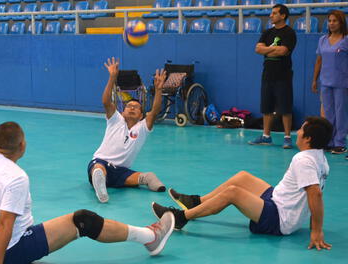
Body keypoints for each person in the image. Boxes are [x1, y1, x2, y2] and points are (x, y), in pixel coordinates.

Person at [0, 122, 175, 264]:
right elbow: (4, 226)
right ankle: (151, 237)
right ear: (22, 145)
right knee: (83, 220)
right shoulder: (16, 177)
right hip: (11, 250)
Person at [152, 117, 333, 250]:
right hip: (279, 201)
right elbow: (314, 194)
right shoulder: (320, 159)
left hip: (279, 218)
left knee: (233, 192)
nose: (298, 132)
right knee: (243, 177)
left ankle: (181, 217)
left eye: (301, 129)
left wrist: (316, 230)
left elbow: (315, 193)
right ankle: (197, 201)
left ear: (308, 138)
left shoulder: (303, 160)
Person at [87, 57, 167, 203]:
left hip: (122, 171)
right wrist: (112, 78)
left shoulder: (142, 127)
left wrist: (159, 89)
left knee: (146, 177)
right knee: (98, 170)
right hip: (102, 162)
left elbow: (155, 111)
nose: (131, 108)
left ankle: (145, 180)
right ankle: (101, 188)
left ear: (141, 115)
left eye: (136, 107)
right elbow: (106, 101)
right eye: (129, 106)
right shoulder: (115, 119)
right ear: (122, 112)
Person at [249, 4, 297, 149]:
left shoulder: (289, 33)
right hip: (267, 74)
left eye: (274, 13)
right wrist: (272, 49)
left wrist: (267, 50)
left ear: (283, 16)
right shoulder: (267, 32)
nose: (271, 15)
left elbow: (283, 51)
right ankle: (266, 136)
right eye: (271, 13)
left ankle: (287, 137)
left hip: (283, 75)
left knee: (285, 107)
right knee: (266, 107)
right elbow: (257, 49)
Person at [311, 10, 348, 155]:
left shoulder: (346, 40)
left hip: (342, 82)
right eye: (330, 20)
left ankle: (340, 142)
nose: (331, 23)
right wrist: (314, 79)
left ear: (341, 23)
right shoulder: (323, 40)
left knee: (341, 113)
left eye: (335, 21)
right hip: (325, 81)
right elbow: (319, 61)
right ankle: (330, 141)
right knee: (328, 113)